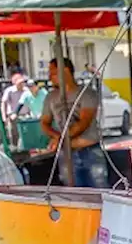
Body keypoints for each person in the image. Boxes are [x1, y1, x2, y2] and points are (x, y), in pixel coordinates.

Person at [38, 57, 109, 188]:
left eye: (53, 72)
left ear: (65, 71)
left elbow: (83, 122)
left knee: (101, 194)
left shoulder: (87, 93)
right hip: (66, 153)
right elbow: (44, 123)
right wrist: (55, 135)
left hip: (90, 150)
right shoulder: (50, 97)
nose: (49, 76)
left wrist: (59, 138)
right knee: (73, 197)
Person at [0, 73, 31, 149]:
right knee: (14, 134)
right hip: (13, 116)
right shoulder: (9, 91)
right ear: (14, 83)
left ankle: (27, 149)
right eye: (19, 82)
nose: (21, 84)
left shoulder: (26, 90)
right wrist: (4, 116)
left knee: (27, 133)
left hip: (25, 115)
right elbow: (4, 103)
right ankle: (16, 150)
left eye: (22, 82)